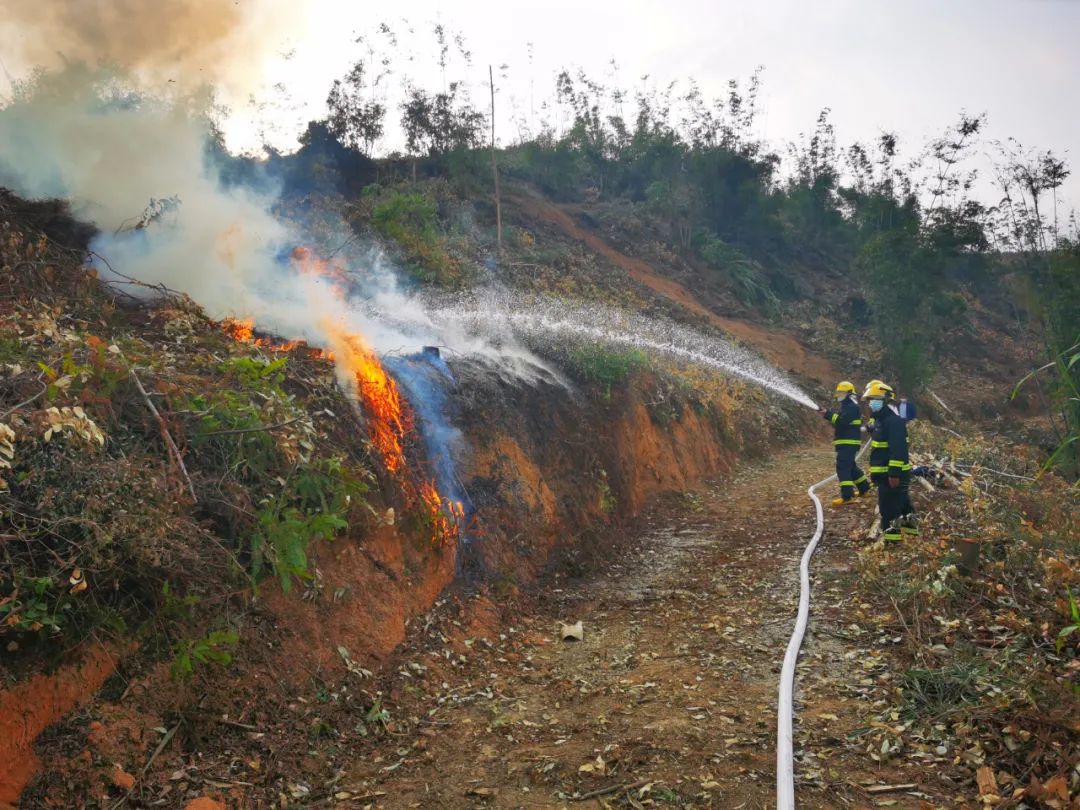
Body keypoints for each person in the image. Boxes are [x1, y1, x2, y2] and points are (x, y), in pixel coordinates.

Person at [863, 380, 917, 542]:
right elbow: (882, 441)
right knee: (903, 504)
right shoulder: (881, 420)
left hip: (891, 475)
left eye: (874, 399)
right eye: (870, 400)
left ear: (885, 400)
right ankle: (913, 534)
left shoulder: (893, 422)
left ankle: (892, 541)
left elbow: (899, 450)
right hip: (885, 474)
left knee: (888, 509)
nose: (871, 403)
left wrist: (894, 474)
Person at [818, 381, 871, 506]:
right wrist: (827, 414)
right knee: (850, 466)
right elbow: (839, 422)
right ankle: (864, 489)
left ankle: (847, 496)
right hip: (847, 442)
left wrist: (827, 414)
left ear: (848, 393)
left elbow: (841, 422)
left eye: (841, 392)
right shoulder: (848, 406)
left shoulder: (852, 407)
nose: (839, 394)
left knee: (842, 467)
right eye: (839, 392)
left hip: (848, 442)